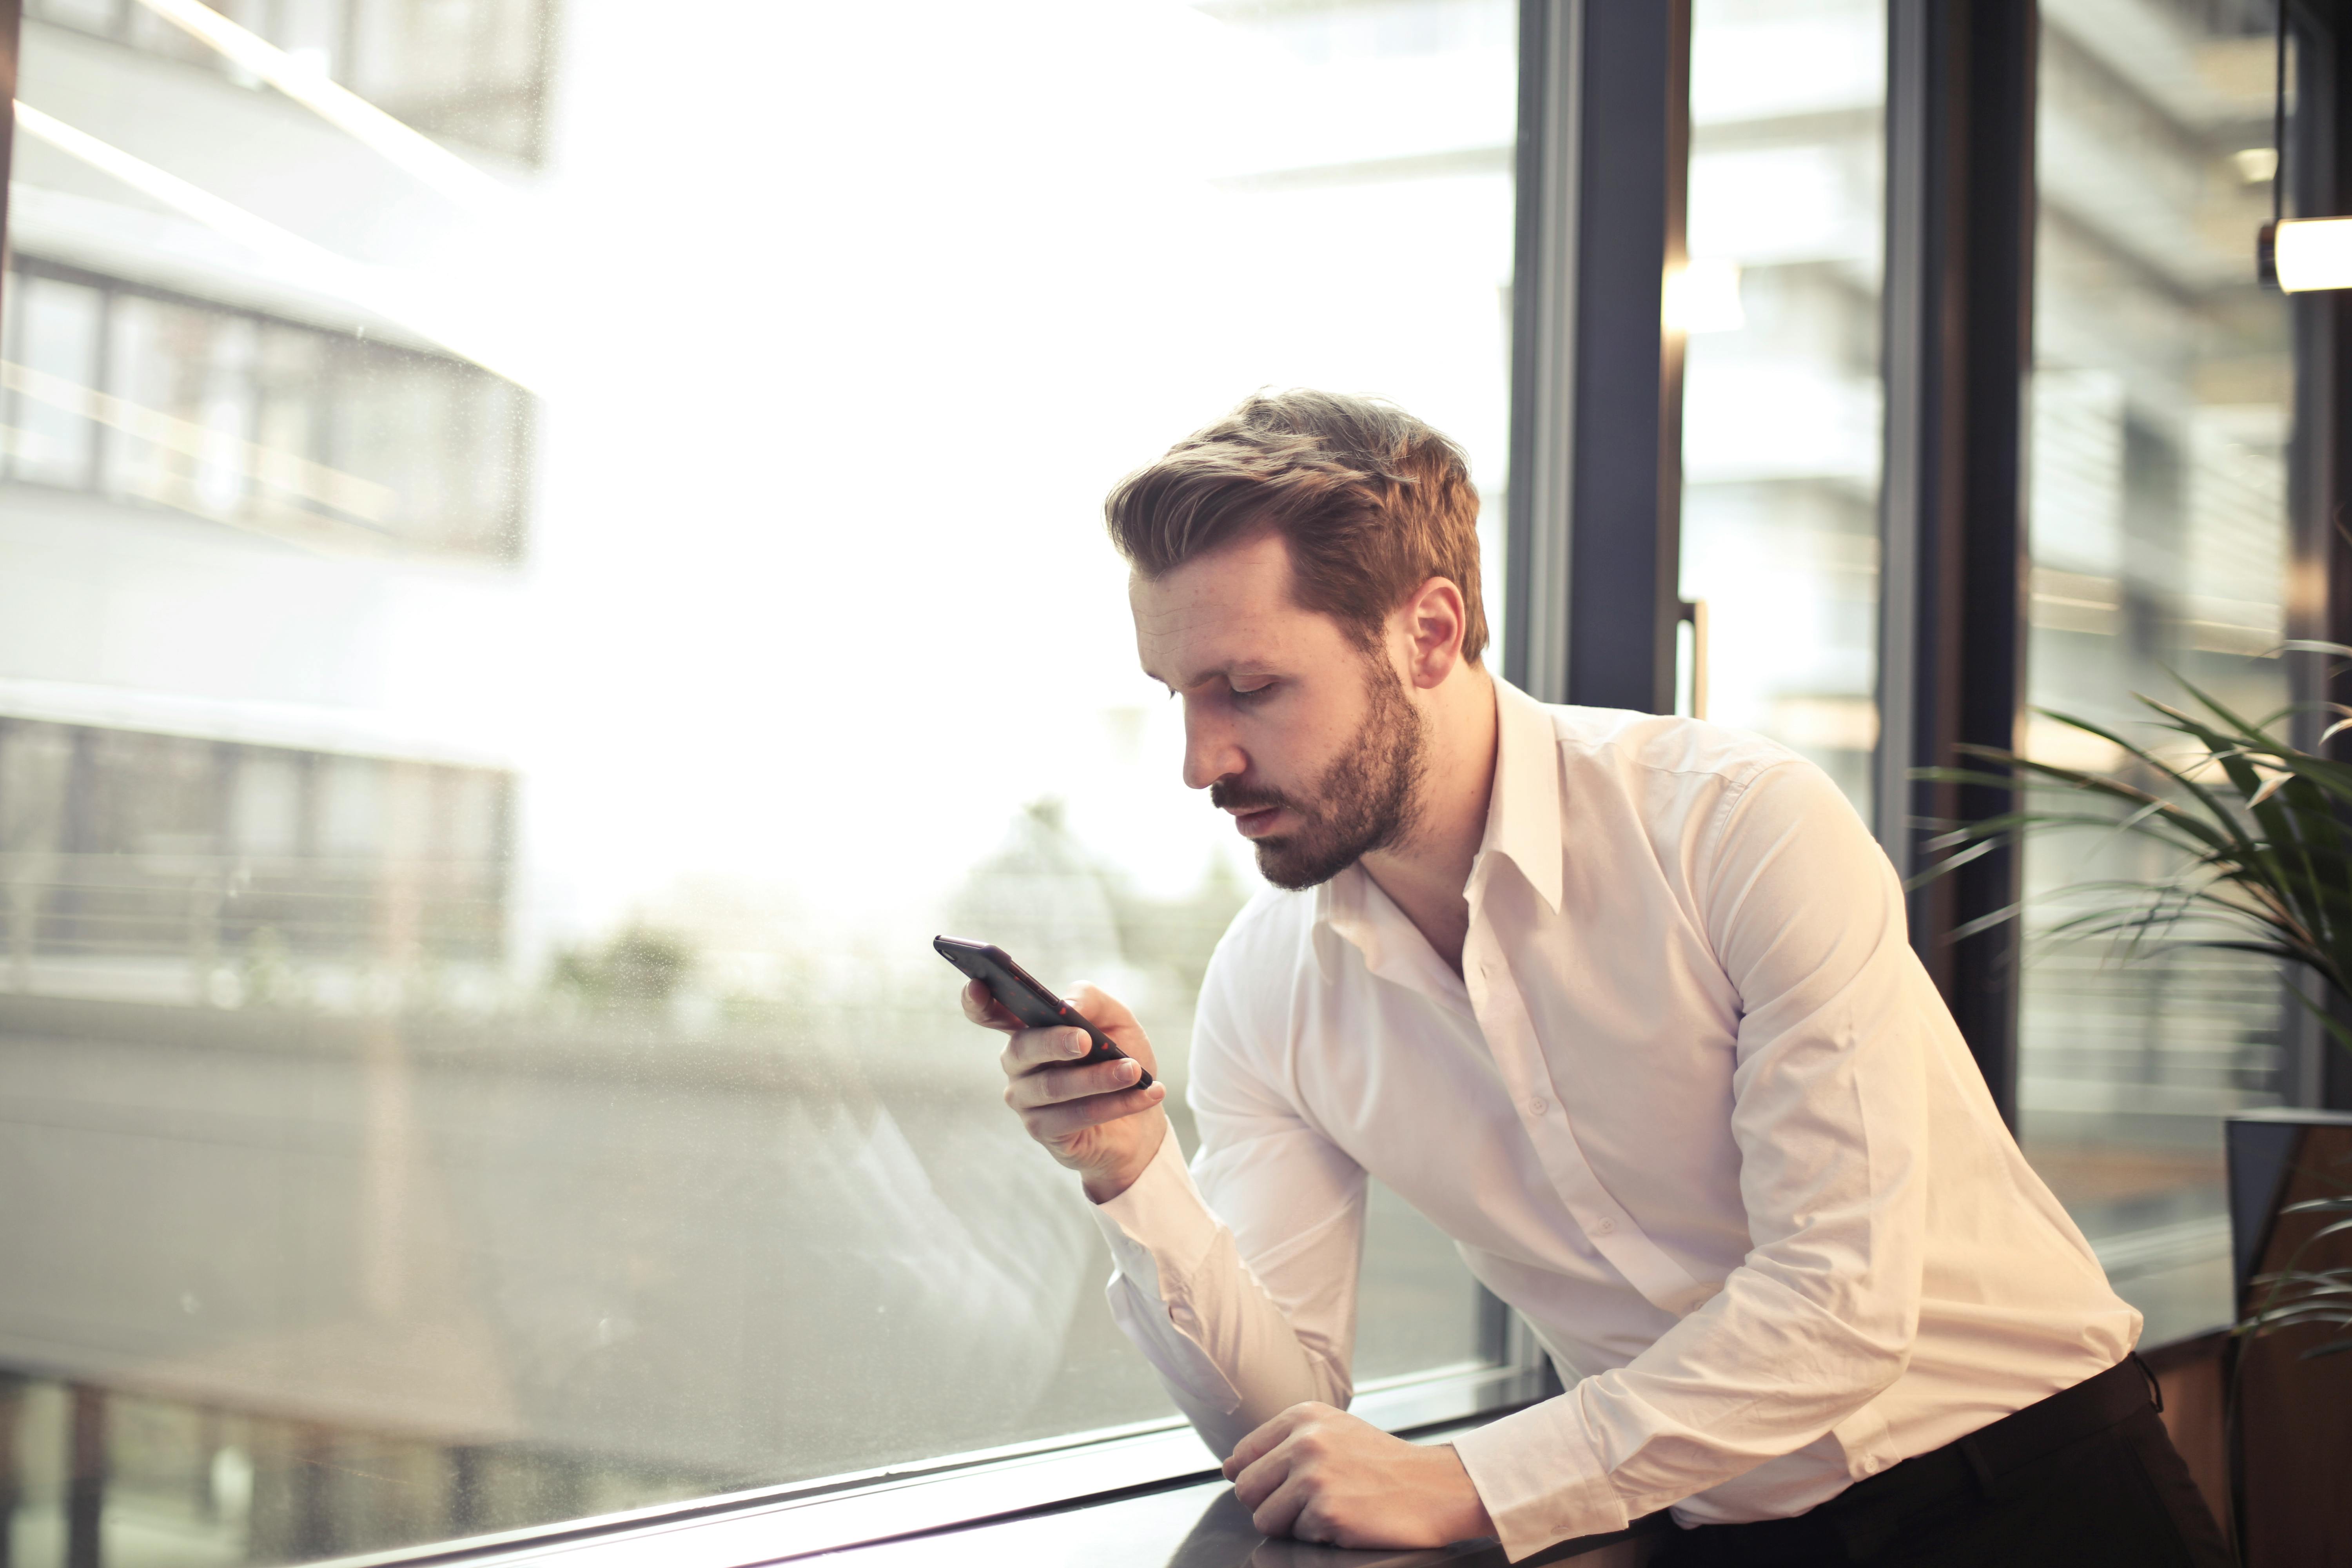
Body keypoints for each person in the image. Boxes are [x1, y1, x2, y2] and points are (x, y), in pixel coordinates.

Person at [957, 390, 2233, 1566]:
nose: (1200, 759)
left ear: (1429, 631)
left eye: (1250, 687)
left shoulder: (1739, 826)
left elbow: (1839, 1306)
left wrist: (1479, 1480)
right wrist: (1134, 1177)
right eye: (1180, 693)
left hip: (2036, 1494)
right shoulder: (1268, 990)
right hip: (1702, 1534)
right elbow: (1290, 1430)